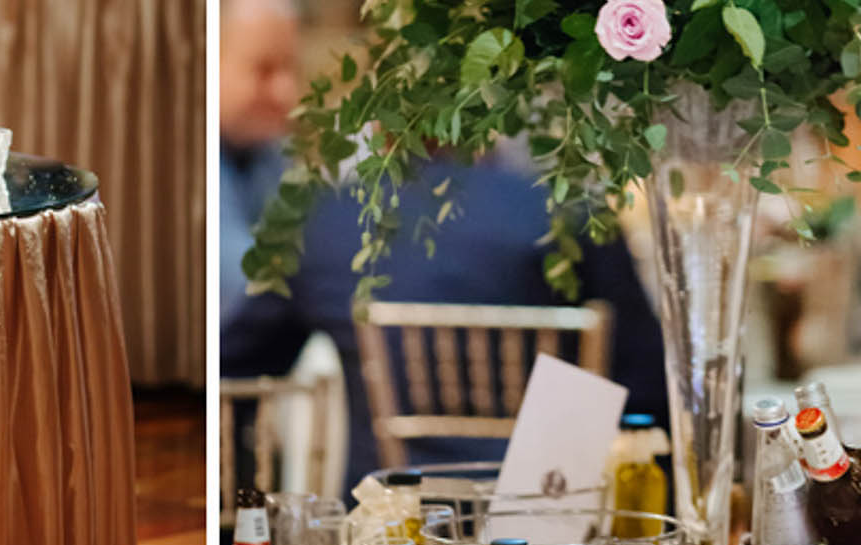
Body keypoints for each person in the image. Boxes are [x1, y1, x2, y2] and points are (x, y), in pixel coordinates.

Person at [225, 145, 669, 489]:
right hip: (552, 515)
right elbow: (649, 383)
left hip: (386, 520)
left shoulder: (325, 219)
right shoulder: (565, 212)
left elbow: (235, 366)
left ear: (379, 128)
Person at [218, 0, 306, 372]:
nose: (286, 92)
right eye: (264, 69)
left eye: (290, 68)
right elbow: (244, 288)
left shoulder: (270, 150)